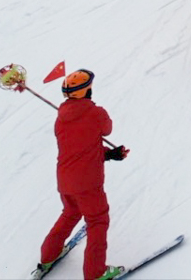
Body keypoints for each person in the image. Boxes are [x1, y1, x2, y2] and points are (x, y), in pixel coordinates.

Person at [34, 69, 129, 280]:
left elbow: (81, 149)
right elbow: (107, 129)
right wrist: (108, 151)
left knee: (71, 212)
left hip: (65, 180)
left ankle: (48, 256)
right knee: (97, 221)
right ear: (87, 90)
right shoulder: (96, 113)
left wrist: (109, 154)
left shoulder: (60, 120)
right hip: (88, 183)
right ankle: (96, 273)